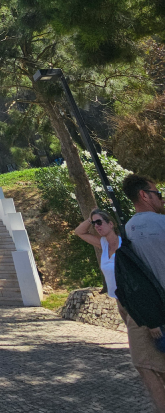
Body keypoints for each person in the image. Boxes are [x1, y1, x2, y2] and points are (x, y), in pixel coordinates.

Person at [121, 174, 165, 412]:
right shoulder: (162, 223)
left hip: (155, 309)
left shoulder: (127, 229)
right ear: (144, 195)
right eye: (157, 193)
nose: (160, 198)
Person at [74, 209, 121, 298]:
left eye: (99, 222)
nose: (96, 226)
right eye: (94, 223)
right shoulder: (103, 243)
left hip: (132, 296)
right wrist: (89, 219)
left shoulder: (125, 243)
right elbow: (79, 232)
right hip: (116, 297)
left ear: (110, 224)